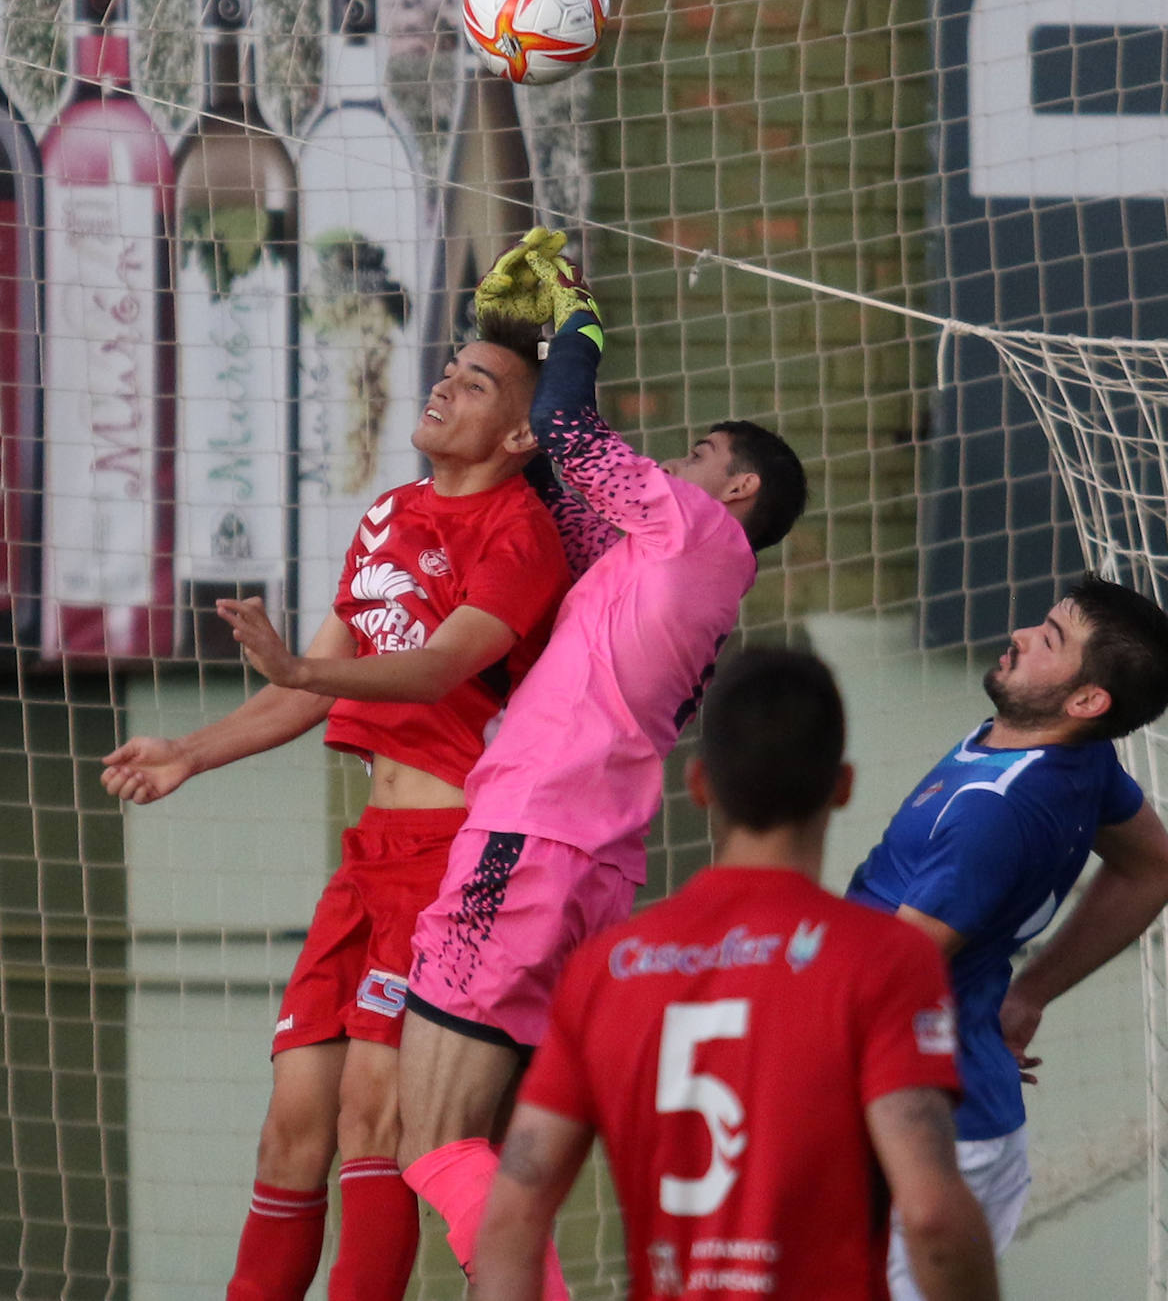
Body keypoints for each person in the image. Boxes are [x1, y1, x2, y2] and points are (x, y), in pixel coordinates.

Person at [100, 313, 571, 1301]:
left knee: (376, 1113)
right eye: (449, 371)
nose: (443, 387)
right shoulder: (389, 513)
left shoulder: (521, 534)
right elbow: (313, 688)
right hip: (369, 856)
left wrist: (303, 660)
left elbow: (442, 664)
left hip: (453, 861)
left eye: (478, 384)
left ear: (522, 435)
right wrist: (187, 752)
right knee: (293, 1124)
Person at [394, 234, 809, 1296]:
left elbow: (572, 431)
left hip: (532, 838)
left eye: (701, 450)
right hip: (588, 862)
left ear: (741, 484)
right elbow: (547, 486)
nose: (677, 459)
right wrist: (506, 350)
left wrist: (576, 323)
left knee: (431, 1143)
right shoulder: (660, 556)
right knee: (504, 1152)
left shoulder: (702, 533)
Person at [472, 646, 1000, 1301]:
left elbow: (510, 1220)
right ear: (842, 786)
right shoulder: (885, 959)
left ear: (698, 786)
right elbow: (932, 1218)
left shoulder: (604, 968)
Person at [846, 573, 1168, 1299]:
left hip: (934, 1128)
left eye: (1050, 639)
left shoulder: (995, 813)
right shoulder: (1072, 758)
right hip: (938, 1099)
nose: (1021, 635)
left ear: (1088, 702)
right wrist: (1030, 995)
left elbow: (880, 975)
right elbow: (1153, 866)